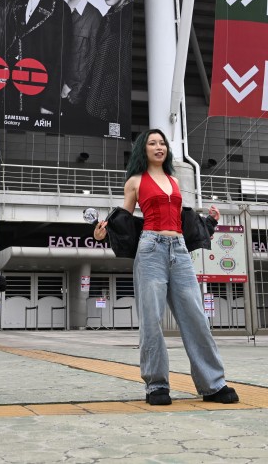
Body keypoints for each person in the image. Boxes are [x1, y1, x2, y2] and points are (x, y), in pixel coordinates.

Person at [94, 129, 239, 406]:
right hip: (150, 249)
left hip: (179, 249)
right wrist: (102, 233)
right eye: (152, 143)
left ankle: (213, 384)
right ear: (143, 149)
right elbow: (124, 219)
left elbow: (183, 218)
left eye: (162, 143)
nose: (159, 147)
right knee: (152, 320)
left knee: (195, 316)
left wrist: (209, 223)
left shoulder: (174, 179)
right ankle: (157, 385)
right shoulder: (135, 181)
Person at [5, 0, 72, 117]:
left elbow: (62, 59)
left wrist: (49, 102)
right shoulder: (18, 3)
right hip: (14, 90)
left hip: (41, 92)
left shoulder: (59, 8)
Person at [83, 0, 134, 128]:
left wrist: (115, 112)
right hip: (96, 109)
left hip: (113, 114)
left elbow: (124, 72)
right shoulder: (109, 18)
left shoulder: (128, 21)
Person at [60, 0, 102, 121]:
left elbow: (94, 61)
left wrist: (75, 90)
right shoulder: (57, 10)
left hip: (75, 96)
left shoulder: (94, 17)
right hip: (52, 93)